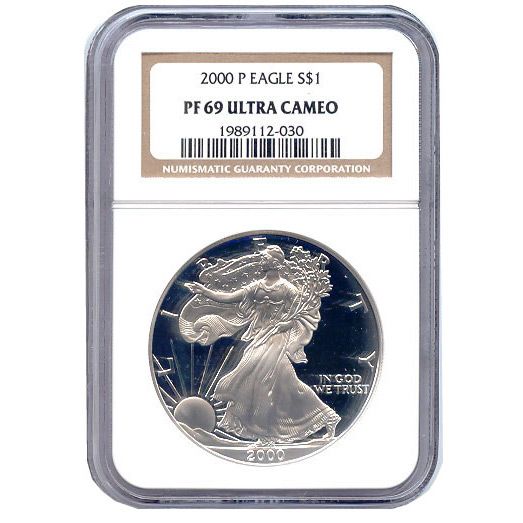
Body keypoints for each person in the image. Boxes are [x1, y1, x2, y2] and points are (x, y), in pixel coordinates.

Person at [183, 245, 340, 444]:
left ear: (275, 262)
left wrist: (287, 324)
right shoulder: (256, 286)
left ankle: (265, 434)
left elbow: (304, 313)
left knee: (258, 378)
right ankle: (327, 417)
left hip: (277, 338)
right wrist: (205, 291)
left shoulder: (288, 289)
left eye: (265, 257)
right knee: (289, 384)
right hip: (260, 336)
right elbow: (229, 298)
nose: (261, 260)